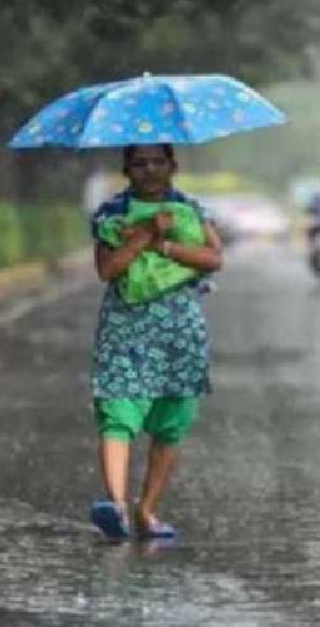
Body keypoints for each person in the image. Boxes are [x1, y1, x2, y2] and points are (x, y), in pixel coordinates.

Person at [87, 143, 224, 541]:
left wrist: (166, 244)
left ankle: (146, 511)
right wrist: (144, 235)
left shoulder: (192, 210)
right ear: (127, 169)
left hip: (179, 330)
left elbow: (214, 259)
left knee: (171, 421)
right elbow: (108, 269)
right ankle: (116, 506)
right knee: (117, 410)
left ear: (172, 166)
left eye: (158, 162)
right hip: (125, 327)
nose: (149, 170)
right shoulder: (111, 215)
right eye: (140, 163)